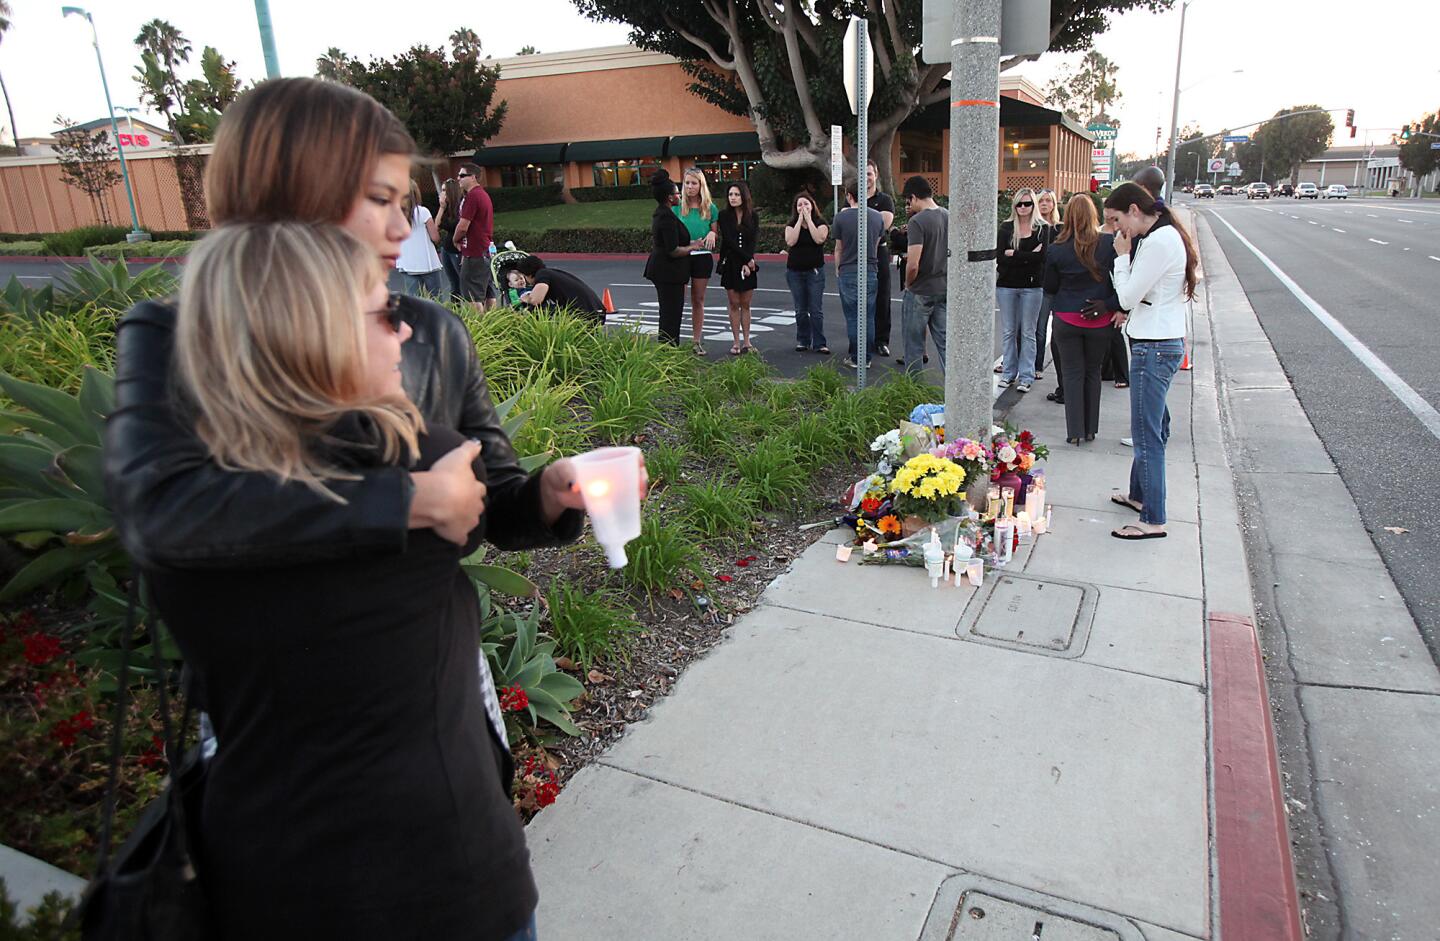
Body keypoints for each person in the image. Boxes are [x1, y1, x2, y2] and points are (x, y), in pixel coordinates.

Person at [148, 222, 551, 940]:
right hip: (445, 874)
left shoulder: (193, 510)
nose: (407, 332)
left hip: (265, 877)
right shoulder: (422, 463)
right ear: (306, 338)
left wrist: (546, 491)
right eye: (384, 313)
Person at [1103, 181, 1199, 540]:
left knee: (1147, 434)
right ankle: (1138, 495)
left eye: (1115, 220)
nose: (1116, 230)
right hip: (1161, 343)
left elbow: (1126, 298)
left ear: (1134, 210)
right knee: (1153, 425)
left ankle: (1153, 518)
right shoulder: (1164, 236)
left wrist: (1122, 257)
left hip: (1153, 347)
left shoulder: (1158, 242)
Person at [1043, 194, 1120, 445]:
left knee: (1071, 372)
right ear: (1093, 215)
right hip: (1099, 317)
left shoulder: (1056, 248)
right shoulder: (1108, 244)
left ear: (1068, 217)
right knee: (1093, 372)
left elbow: (1050, 286)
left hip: (1066, 316)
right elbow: (1120, 279)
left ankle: (1074, 430)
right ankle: (1090, 429)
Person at [994, 187, 1047, 392]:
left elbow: (1041, 259)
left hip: (1032, 287)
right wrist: (1026, 255)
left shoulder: (1042, 228)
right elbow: (999, 257)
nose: (1023, 208)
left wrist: (1013, 254)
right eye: (1019, 204)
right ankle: (1008, 373)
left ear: (1033, 205)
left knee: (1028, 332)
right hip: (1007, 285)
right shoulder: (1006, 227)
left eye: (1027, 204)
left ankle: (1027, 376)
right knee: (1008, 331)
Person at [644, 169, 701, 345]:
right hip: (667, 273)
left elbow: (674, 241)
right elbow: (673, 250)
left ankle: (668, 349)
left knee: (671, 313)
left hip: (667, 272)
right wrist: (693, 246)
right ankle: (668, 350)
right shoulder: (666, 217)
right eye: (677, 193)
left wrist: (691, 242)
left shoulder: (664, 213)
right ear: (670, 197)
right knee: (671, 314)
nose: (680, 195)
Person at [898, 175, 947, 376]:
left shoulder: (918, 222)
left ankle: (913, 392)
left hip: (920, 290)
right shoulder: (947, 215)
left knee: (914, 347)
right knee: (945, 344)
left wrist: (908, 284)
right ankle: (954, 394)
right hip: (943, 288)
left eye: (908, 202)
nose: (909, 206)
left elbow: (913, 265)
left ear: (913, 197)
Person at [833, 182, 884, 369]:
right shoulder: (877, 217)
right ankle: (866, 358)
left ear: (849, 196)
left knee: (853, 317)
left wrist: (838, 269)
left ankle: (856, 357)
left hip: (848, 270)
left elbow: (839, 248)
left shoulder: (840, 218)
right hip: (870, 270)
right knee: (868, 316)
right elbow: (876, 246)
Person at [674, 168, 718, 356]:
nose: (690, 187)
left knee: (698, 300)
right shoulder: (676, 207)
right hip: (682, 256)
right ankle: (672, 340)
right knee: (677, 300)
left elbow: (715, 233)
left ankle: (696, 341)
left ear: (701, 185)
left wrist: (711, 232)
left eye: (694, 183)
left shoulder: (710, 208)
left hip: (702, 257)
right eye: (687, 183)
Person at [783, 190, 829, 355]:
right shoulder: (791, 225)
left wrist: (809, 220)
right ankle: (803, 340)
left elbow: (819, 239)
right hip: (795, 272)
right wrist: (799, 221)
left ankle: (819, 342)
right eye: (799, 205)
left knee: (815, 309)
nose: (803, 207)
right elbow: (791, 241)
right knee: (800, 309)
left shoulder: (820, 222)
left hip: (814, 271)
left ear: (812, 206)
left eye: (806, 204)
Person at [717, 180, 759, 355]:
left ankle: (747, 341)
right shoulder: (724, 215)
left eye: (736, 194)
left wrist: (749, 263)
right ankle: (736, 341)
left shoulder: (753, 216)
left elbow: (753, 240)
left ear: (744, 196)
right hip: (731, 263)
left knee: (746, 303)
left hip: (748, 264)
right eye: (730, 195)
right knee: (734, 303)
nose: (733, 198)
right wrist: (748, 259)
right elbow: (729, 240)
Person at [511, 254, 605, 322]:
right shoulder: (551, 273)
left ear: (529, 274)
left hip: (585, 313)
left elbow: (536, 300)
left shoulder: (542, 274)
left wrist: (525, 298)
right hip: (596, 309)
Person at [454, 162, 497, 310]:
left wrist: (455, 239)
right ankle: (492, 322)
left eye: (462, 175)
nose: (458, 178)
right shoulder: (483, 195)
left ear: (473, 177)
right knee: (487, 290)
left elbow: (463, 226)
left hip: (474, 251)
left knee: (471, 294)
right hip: (485, 249)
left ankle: (479, 327)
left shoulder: (473, 196)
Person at [866, 161, 896, 357]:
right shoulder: (851, 198)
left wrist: (859, 217)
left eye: (869, 173)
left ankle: (881, 341)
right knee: (860, 300)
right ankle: (863, 340)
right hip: (857, 256)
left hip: (879, 254)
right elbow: (845, 223)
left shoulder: (885, 200)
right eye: (863, 174)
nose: (866, 177)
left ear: (876, 175)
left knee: (882, 299)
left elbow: (882, 225)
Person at [1032, 189, 1062, 382]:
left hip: (1059, 285)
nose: (1044, 204)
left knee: (1059, 331)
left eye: (1048, 201)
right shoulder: (1034, 228)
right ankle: (1037, 365)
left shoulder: (1060, 229)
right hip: (1040, 284)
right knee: (1039, 327)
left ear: (1053, 204)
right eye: (1041, 200)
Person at [396, 180, 444, 298]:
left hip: (407, 264)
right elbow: (435, 238)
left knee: (415, 302)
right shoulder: (423, 212)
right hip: (427, 263)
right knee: (437, 299)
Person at [436, 177, 464, 299]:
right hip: (447, 249)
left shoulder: (460, 207)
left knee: (462, 280)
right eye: (442, 190)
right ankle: (456, 308)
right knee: (453, 282)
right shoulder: (446, 208)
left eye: (444, 190)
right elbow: (436, 226)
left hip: (457, 249)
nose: (442, 194)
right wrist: (441, 208)